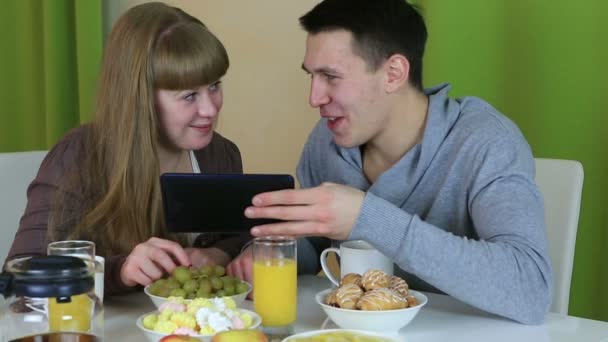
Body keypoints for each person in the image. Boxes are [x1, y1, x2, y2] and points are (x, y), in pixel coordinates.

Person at [229, 0, 552, 324]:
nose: (314, 98)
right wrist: (272, 254)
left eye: (331, 76)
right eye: (312, 76)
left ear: (394, 74)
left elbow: (531, 288)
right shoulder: (325, 141)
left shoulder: (485, 142)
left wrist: (367, 218)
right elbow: (314, 245)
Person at [5, 2, 250, 295]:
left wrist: (219, 254)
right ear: (140, 97)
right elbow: (18, 274)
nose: (210, 109)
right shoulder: (77, 157)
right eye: (189, 96)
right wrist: (119, 271)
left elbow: (240, 234)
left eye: (214, 86)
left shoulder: (221, 155)